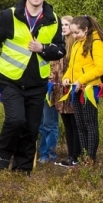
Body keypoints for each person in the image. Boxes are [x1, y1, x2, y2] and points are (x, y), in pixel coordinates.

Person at [0, 0, 65, 174]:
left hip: (38, 81)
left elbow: (60, 50)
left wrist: (43, 48)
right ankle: (4, 154)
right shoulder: (9, 15)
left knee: (32, 128)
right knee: (16, 120)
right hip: (11, 79)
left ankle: (22, 169)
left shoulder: (53, 19)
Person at [61, 15, 103, 164]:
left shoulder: (96, 43)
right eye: (72, 33)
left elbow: (100, 68)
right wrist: (66, 77)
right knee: (80, 124)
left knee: (90, 124)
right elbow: (72, 66)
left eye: (77, 33)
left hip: (89, 89)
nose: (74, 36)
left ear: (86, 29)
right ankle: (82, 156)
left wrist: (81, 80)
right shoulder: (76, 44)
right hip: (76, 90)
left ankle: (91, 157)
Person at [39, 16, 73, 163]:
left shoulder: (73, 46)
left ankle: (51, 154)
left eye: (67, 24)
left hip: (65, 89)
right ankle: (44, 153)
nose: (64, 27)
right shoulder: (52, 44)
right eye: (62, 25)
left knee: (54, 124)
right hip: (49, 88)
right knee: (44, 123)